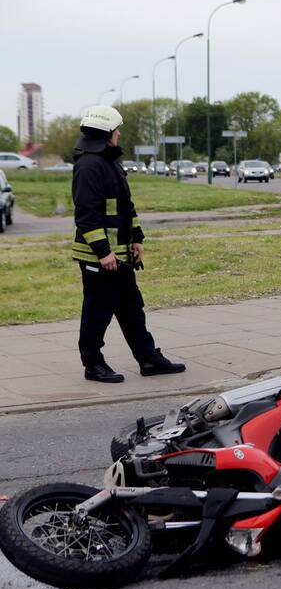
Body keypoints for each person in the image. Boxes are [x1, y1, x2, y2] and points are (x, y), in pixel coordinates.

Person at [72, 105, 185, 383]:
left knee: (132, 308)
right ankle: (93, 364)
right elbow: (87, 216)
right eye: (116, 130)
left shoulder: (110, 162)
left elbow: (126, 208)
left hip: (120, 255)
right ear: (107, 133)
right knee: (97, 313)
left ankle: (148, 359)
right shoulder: (88, 166)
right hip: (100, 258)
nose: (119, 133)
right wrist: (103, 253)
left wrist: (137, 240)